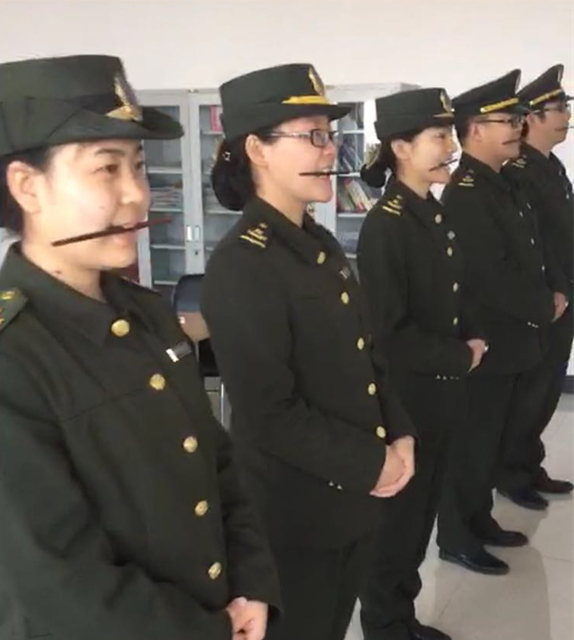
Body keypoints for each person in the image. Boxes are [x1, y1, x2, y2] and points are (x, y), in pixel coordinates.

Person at [0, 54, 281, 640]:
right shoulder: (15, 356)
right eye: (107, 169)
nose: (138, 195)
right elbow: (59, 581)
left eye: (139, 167)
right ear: (27, 186)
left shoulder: (147, 314)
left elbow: (216, 462)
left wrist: (252, 583)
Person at [200, 63, 417, 640]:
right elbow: (270, 413)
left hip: (352, 500)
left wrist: (400, 431)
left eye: (330, 134)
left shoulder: (317, 244)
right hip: (297, 514)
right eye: (313, 135)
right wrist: (371, 463)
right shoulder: (243, 265)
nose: (329, 151)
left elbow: (368, 356)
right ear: (257, 149)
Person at [357, 88, 487, 640]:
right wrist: (460, 355)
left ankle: (401, 617)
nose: (450, 147)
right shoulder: (387, 224)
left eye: (450, 135)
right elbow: (388, 333)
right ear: (401, 147)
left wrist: (469, 341)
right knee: (399, 525)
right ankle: (384, 625)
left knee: (420, 518)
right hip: (408, 399)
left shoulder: (430, 211)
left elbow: (450, 297)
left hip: (440, 393)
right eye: (438, 136)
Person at [437, 70, 556, 576]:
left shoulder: (503, 181)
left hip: (512, 339)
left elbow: (525, 255)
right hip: (486, 341)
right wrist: (541, 306)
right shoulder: (466, 191)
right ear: (474, 130)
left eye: (516, 119)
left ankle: (479, 519)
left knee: (492, 440)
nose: (516, 128)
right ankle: (456, 536)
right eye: (505, 121)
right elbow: (490, 274)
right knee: (472, 443)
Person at [497, 64, 573, 507]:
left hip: (563, 295)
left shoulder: (550, 166)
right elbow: (529, 248)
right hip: (544, 301)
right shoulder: (520, 171)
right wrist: (548, 296)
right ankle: (511, 473)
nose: (567, 115)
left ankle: (528, 464)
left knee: (546, 391)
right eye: (558, 108)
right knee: (530, 392)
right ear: (532, 118)